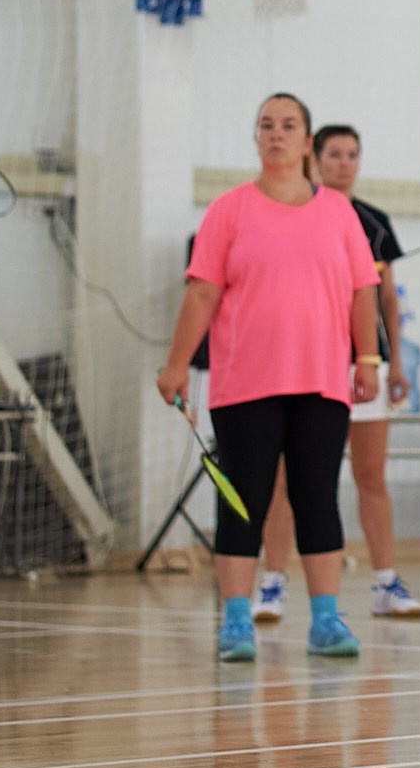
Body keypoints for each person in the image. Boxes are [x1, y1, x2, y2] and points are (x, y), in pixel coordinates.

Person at [156, 93, 380, 663]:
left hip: (322, 383)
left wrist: (367, 359)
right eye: (266, 125)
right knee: (243, 502)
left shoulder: (338, 212)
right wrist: (177, 363)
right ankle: (235, 622)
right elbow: (202, 291)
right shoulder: (228, 210)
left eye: (289, 125)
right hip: (244, 384)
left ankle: (326, 621)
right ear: (256, 138)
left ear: (306, 141)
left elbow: (363, 290)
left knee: (317, 499)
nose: (276, 133)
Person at [256, 122, 420, 623]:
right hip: (305, 363)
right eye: (335, 154)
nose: (344, 163)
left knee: (371, 475)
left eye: (353, 154)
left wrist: (392, 361)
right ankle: (273, 584)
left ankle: (385, 582)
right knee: (285, 478)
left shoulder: (374, 223)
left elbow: (387, 298)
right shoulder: (291, 213)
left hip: (364, 364)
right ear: (315, 157)